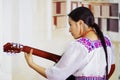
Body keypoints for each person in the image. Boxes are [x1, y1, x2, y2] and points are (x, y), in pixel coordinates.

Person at [24, 7, 115, 80]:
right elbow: (112, 67)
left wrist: (31, 64)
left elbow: (56, 76)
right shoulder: (107, 41)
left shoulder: (79, 46)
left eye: (70, 24)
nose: (69, 30)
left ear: (80, 23)